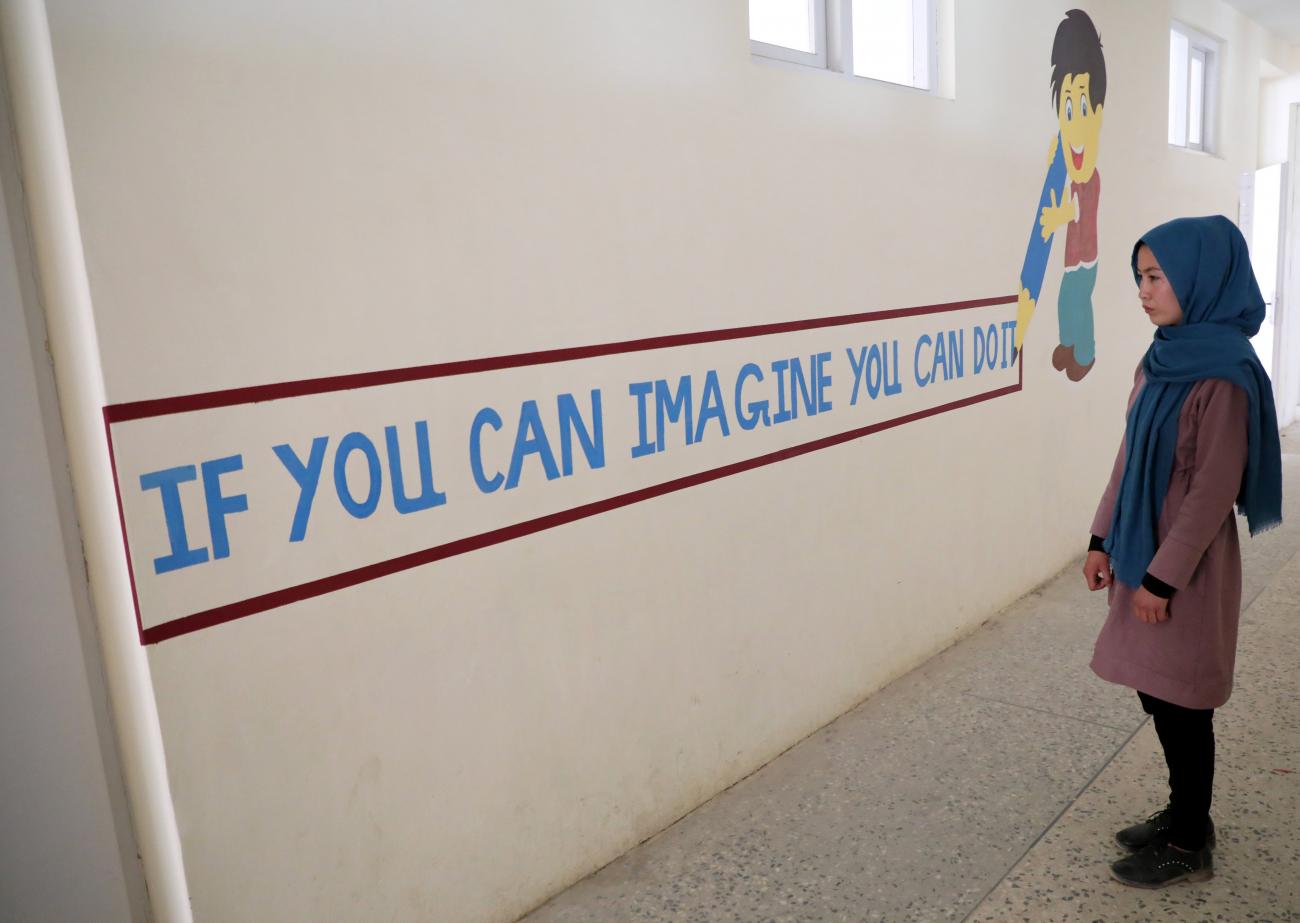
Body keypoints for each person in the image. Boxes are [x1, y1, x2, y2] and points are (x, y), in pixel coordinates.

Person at [1082, 215, 1283, 888]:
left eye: (1155, 276)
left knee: (1185, 703)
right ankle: (1180, 811)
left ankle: (1191, 839)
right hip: (1141, 543)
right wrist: (1100, 536)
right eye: (1139, 277)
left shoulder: (1224, 374)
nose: (1143, 291)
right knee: (1156, 690)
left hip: (1184, 565)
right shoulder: (1161, 354)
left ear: (1198, 276)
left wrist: (1162, 580)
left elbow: (1211, 491)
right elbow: (1129, 450)